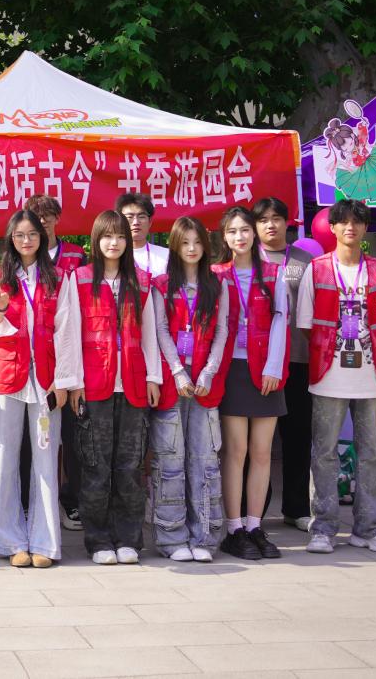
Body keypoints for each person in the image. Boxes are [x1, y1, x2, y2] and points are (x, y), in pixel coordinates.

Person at [54, 210, 161, 565]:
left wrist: (153, 377)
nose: (113, 243)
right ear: (95, 240)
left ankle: (129, 539)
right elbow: (69, 334)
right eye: (107, 236)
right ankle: (98, 540)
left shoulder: (142, 281)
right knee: (95, 467)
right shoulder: (80, 278)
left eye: (119, 236)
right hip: (93, 385)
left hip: (132, 384)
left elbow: (150, 333)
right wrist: (73, 382)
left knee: (130, 466)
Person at [298, 199, 376, 554]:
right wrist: (330, 350)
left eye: (357, 222)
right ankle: (323, 529)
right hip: (328, 375)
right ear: (332, 227)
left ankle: (370, 529)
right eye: (343, 222)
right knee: (324, 452)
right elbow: (306, 326)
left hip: (369, 375)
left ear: (365, 228)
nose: (350, 227)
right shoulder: (317, 269)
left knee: (369, 454)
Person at [0, 210, 65, 568]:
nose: (26, 241)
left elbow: (68, 330)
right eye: (19, 235)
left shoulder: (58, 277)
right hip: (7, 375)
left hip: (47, 378)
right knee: (6, 456)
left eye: (32, 234)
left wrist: (64, 377)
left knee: (46, 458)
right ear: (10, 239)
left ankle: (45, 542)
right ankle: (11, 540)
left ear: (42, 237)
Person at [150, 217, 231, 562]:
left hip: (205, 387)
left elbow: (222, 331)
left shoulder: (218, 285)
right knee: (170, 461)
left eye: (198, 242)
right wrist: (178, 371)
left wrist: (209, 372)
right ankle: (172, 539)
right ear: (174, 246)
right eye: (185, 242)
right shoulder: (161, 284)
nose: (192, 249)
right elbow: (160, 330)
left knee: (205, 460)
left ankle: (205, 538)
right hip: (173, 385)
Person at [213, 206, 290, 561]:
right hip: (231, 369)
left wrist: (273, 367)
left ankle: (255, 525)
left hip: (266, 371)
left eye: (245, 230)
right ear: (224, 237)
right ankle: (234, 529)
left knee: (262, 452)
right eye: (232, 231)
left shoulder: (274, 273)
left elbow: (281, 320)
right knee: (236, 451)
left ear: (254, 233)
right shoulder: (216, 274)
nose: (240, 237)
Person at [252, 197, 316, 532]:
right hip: (257, 363)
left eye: (276, 218)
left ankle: (296, 507)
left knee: (298, 435)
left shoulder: (306, 260)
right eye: (263, 220)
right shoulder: (245, 257)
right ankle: (254, 510)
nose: (270, 225)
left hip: (299, 359)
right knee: (257, 441)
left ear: (287, 222)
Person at [26, 193, 87, 532]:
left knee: (74, 434)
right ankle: (32, 503)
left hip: (71, 353)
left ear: (58, 218)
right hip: (34, 359)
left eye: (49, 214)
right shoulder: (22, 256)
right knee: (36, 435)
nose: (44, 220)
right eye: (37, 214)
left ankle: (72, 500)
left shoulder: (76, 255)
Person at [26, 194, 87, 275]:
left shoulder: (77, 254)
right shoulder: (24, 255)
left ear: (57, 218)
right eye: (37, 216)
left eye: (46, 215)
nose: (42, 221)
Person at [116, 192, 169, 279]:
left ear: (150, 222)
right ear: (120, 221)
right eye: (129, 217)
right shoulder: (114, 256)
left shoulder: (166, 255)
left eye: (141, 216)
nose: (136, 222)